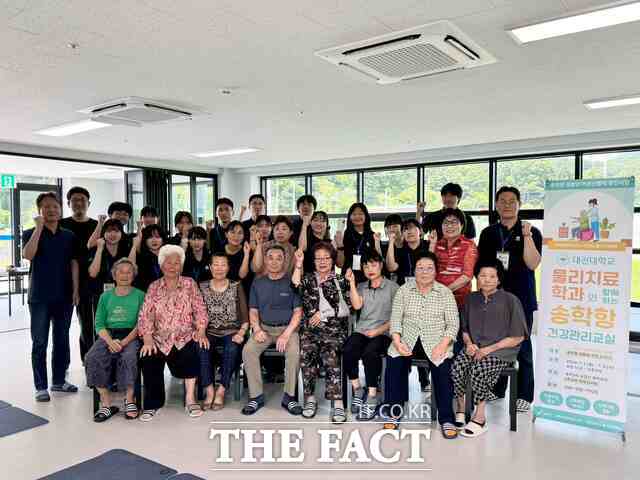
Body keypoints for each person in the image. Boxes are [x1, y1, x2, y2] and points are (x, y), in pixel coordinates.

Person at [478, 186, 542, 413]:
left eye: (512, 201)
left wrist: (525, 236)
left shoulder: (530, 231)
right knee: (495, 344)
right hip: (495, 297)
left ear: (519, 204)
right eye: (502, 201)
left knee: (522, 345)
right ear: (496, 205)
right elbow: (482, 268)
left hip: (521, 298)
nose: (507, 204)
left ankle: (525, 394)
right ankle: (498, 388)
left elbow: (533, 263)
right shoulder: (488, 233)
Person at [382, 252, 459, 438]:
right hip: (407, 339)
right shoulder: (404, 290)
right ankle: (394, 413)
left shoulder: (445, 293)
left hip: (436, 341)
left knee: (442, 370)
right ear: (414, 270)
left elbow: (453, 323)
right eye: (420, 268)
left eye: (429, 268)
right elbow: (395, 319)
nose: (424, 272)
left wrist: (443, 345)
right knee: (394, 363)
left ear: (436, 271)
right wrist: (397, 341)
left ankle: (447, 419)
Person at [452, 261, 528, 437]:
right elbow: (464, 328)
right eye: (483, 275)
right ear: (477, 277)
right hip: (474, 347)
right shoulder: (471, 299)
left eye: (492, 276)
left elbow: (518, 336)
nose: (486, 280)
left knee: (479, 370)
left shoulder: (511, 300)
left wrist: (488, 350)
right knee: (457, 367)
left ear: (499, 279)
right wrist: (469, 343)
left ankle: (480, 416)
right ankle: (462, 409)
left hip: (501, 350)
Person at [137, 245, 209, 421]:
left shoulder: (189, 284)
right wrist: (147, 339)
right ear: (161, 265)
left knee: (192, 349)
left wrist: (201, 330)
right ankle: (153, 404)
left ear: (181, 266)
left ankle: (190, 399)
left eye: (177, 263)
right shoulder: (154, 287)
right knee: (148, 355)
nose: (172, 266)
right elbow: (145, 315)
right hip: (159, 338)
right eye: (168, 262)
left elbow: (200, 309)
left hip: (184, 336)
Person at [22, 192, 81, 402]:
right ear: (39, 210)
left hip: (64, 295)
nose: (51, 210)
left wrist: (75, 290)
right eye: (46, 207)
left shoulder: (69, 235)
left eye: (55, 206)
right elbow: (28, 255)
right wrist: (38, 228)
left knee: (62, 340)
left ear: (60, 209)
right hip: (39, 296)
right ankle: (40, 386)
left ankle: (58, 381)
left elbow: (74, 263)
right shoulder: (30, 232)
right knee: (39, 342)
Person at [292, 242, 353, 423]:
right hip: (310, 330)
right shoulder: (308, 278)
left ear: (333, 260)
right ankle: (310, 399)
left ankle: (338, 403)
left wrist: (324, 313)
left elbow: (348, 307)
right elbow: (295, 284)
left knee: (331, 353)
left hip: (334, 330)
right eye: (318, 258)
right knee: (306, 351)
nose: (322, 261)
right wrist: (298, 263)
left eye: (326, 258)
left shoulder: (340, 280)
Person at [241, 245, 303, 416]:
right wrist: (257, 328)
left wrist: (286, 334)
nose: (274, 261)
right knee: (248, 350)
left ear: (284, 261)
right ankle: (256, 397)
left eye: (279, 258)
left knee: (294, 352)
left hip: (288, 330)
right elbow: (253, 311)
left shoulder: (292, 281)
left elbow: (298, 313)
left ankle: (289, 397)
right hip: (265, 329)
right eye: (270, 257)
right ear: (265, 260)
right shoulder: (258, 283)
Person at [85, 258, 146, 422]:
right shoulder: (105, 296)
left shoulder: (141, 295)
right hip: (108, 335)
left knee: (129, 357)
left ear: (133, 275)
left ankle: (130, 399)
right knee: (92, 357)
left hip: (131, 335)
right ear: (114, 275)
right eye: (121, 272)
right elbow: (99, 324)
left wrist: (124, 342)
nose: (125, 275)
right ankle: (105, 403)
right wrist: (110, 341)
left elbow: (142, 324)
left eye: (129, 272)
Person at [343, 251, 399, 420]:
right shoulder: (361, 286)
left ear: (381, 266)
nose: (369, 269)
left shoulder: (393, 287)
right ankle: (358, 388)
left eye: (373, 265)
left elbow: (397, 317)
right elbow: (357, 305)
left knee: (370, 353)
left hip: (384, 332)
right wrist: (352, 283)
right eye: (366, 266)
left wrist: (379, 331)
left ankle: (372, 396)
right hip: (363, 330)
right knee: (348, 349)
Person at [198, 253, 249, 411]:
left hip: (231, 330)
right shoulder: (201, 286)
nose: (219, 268)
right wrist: (199, 332)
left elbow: (245, 316)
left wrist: (242, 332)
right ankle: (209, 390)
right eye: (216, 264)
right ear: (210, 267)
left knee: (232, 348)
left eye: (223, 264)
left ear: (228, 268)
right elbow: (196, 313)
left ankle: (221, 390)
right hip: (208, 331)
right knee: (201, 347)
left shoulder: (236, 286)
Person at [60, 186, 98, 363]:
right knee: (80, 323)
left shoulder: (97, 226)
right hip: (67, 281)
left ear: (88, 203)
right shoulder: (62, 225)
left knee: (95, 323)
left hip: (94, 280)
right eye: (74, 200)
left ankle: (94, 359)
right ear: (68, 203)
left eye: (82, 200)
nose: (79, 203)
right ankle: (85, 360)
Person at [88, 219, 131, 332]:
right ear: (103, 233)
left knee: (121, 328)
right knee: (102, 330)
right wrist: (99, 249)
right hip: (101, 295)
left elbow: (132, 270)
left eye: (116, 231)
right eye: (109, 231)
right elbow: (93, 273)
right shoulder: (97, 249)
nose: (112, 234)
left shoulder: (125, 249)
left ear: (121, 234)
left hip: (123, 294)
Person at [432, 208, 478, 309]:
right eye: (445, 223)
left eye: (454, 222)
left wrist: (444, 292)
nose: (449, 226)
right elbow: (428, 268)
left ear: (461, 225)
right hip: (436, 301)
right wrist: (432, 245)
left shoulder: (469, 245)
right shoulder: (437, 244)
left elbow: (467, 276)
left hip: (460, 302)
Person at [335, 202, 382, 284]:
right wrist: (340, 245)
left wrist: (377, 243)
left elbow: (379, 260)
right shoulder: (344, 235)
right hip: (349, 276)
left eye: (360, 213)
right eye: (354, 214)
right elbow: (340, 264)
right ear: (349, 217)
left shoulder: (372, 236)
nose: (357, 216)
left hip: (368, 277)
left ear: (366, 216)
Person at [386, 218, 435, 286]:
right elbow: (391, 268)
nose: (409, 232)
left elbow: (432, 265)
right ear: (402, 234)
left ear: (420, 231)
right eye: (405, 229)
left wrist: (432, 244)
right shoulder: (400, 249)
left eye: (412, 228)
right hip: (404, 287)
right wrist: (391, 242)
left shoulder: (428, 245)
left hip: (425, 285)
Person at [129, 224, 167, 292]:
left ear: (163, 240)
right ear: (145, 240)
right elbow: (129, 268)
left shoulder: (168, 256)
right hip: (144, 295)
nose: (154, 240)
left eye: (157, 237)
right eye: (150, 237)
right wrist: (134, 246)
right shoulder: (141, 257)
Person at [223, 221, 252, 293]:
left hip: (243, 290)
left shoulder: (247, 250)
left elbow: (242, 275)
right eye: (232, 232)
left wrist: (246, 254)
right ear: (226, 234)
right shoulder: (219, 250)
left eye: (240, 233)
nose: (236, 236)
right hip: (223, 289)